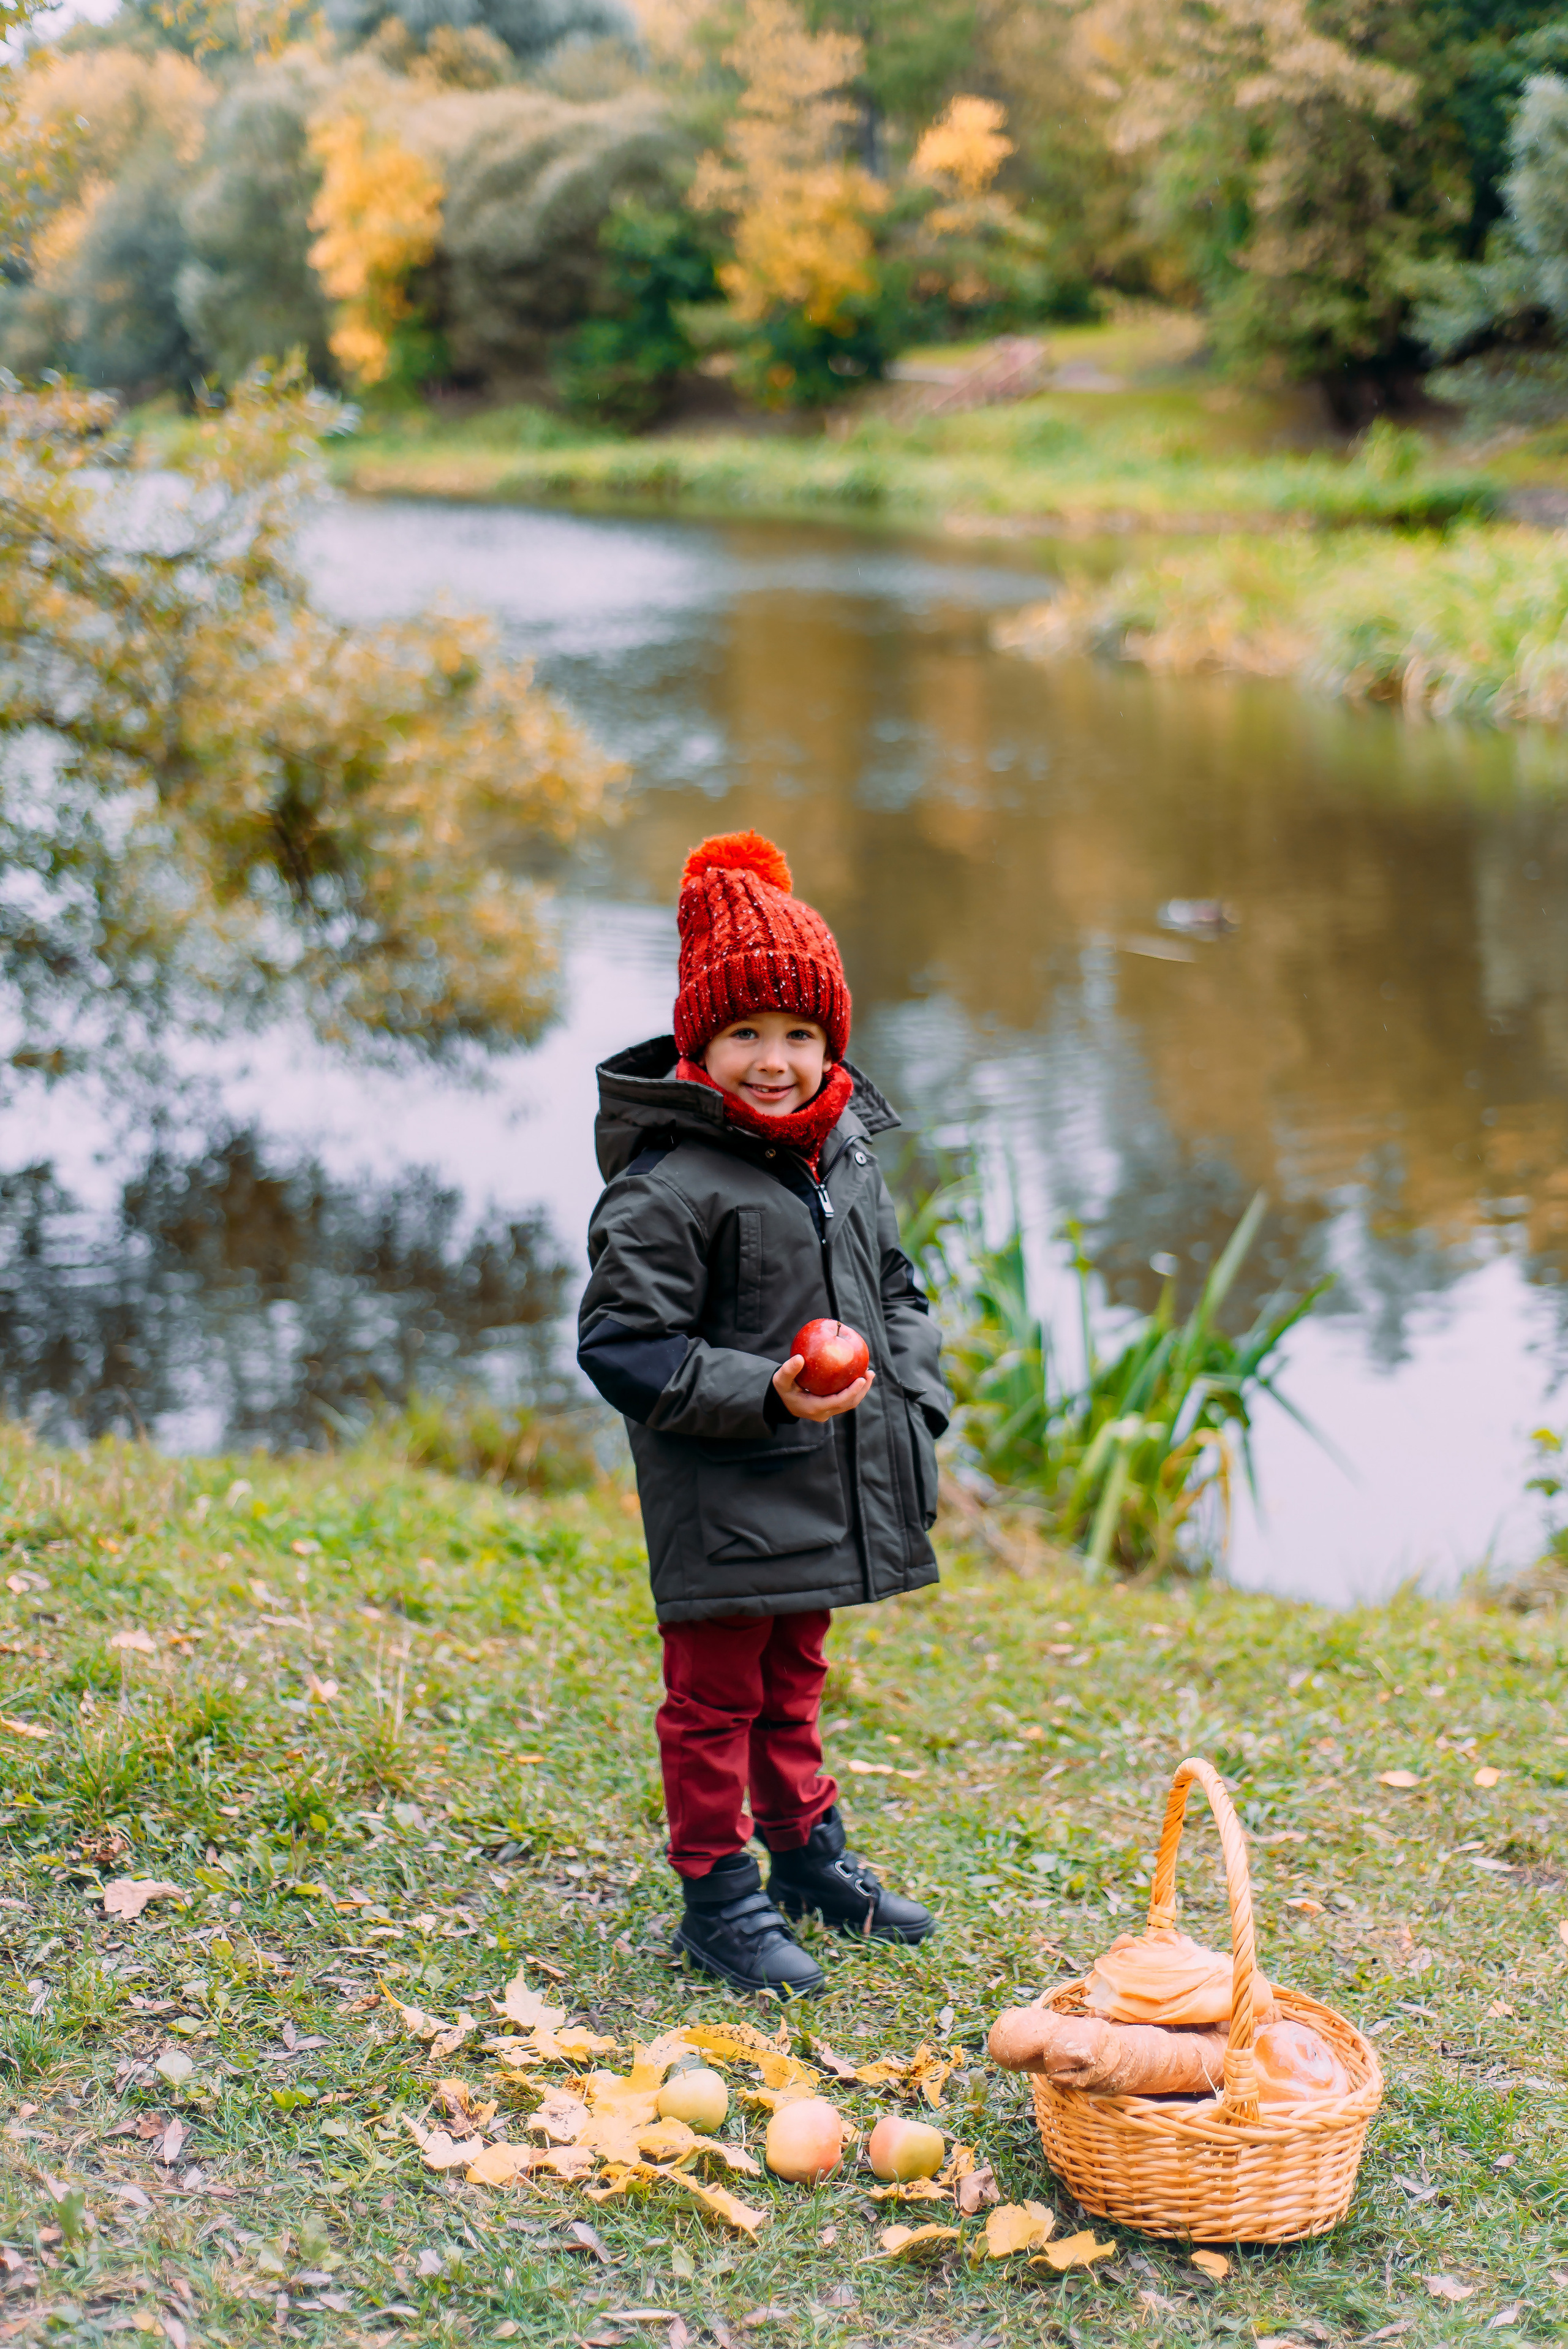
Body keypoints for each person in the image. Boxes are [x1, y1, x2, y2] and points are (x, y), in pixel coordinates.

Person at [578, 830, 951, 1995]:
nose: (777, 1060)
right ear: (700, 1042)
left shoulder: (842, 1153)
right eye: (747, 1034)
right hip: (728, 1491)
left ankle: (803, 1859)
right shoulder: (669, 1185)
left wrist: (917, 1397)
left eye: (800, 1033)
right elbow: (625, 1345)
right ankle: (718, 1899)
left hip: (823, 1483)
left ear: (831, 1037)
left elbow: (895, 1288)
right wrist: (770, 1390)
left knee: (795, 1683)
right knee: (713, 1702)